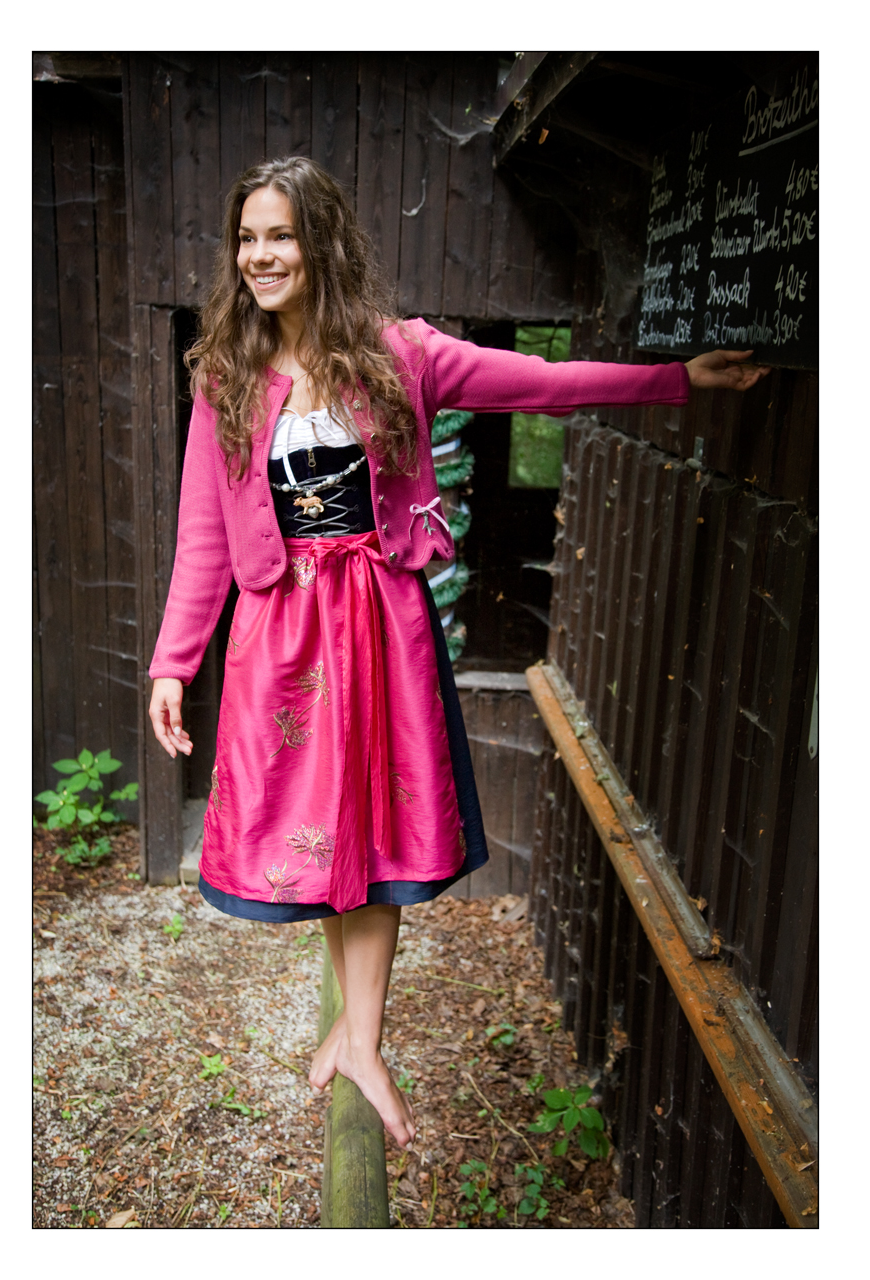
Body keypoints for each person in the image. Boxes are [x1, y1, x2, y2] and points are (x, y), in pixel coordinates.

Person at [147, 156, 770, 1154]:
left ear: (322, 243)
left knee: (376, 829)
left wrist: (673, 379)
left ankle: (363, 1038)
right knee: (319, 827)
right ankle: (352, 1029)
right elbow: (203, 538)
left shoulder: (404, 355)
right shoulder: (225, 375)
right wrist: (174, 663)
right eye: (247, 238)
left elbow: (546, 387)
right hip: (281, 638)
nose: (259, 256)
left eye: (280, 235)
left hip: (378, 627)